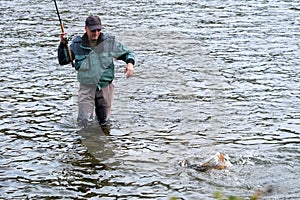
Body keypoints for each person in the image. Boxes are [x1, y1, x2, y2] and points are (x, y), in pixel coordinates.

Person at [58, 15, 135, 131]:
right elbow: (63, 60)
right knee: (83, 122)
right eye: (93, 30)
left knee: (104, 122)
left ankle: (102, 143)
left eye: (98, 30)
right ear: (86, 29)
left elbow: (127, 53)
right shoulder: (77, 45)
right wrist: (63, 44)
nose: (96, 33)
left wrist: (130, 64)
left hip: (105, 87)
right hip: (86, 88)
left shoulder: (109, 43)